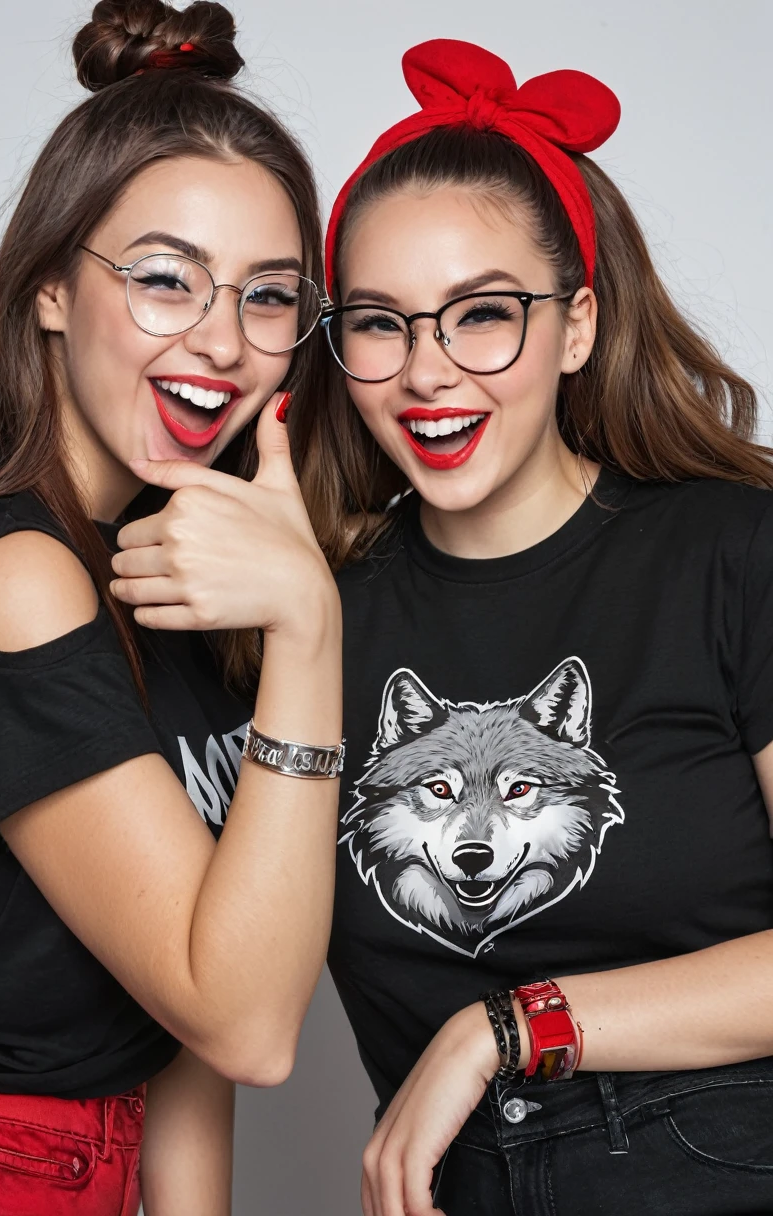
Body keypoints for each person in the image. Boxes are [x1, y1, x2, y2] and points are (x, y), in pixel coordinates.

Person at [118, 35, 773, 1216]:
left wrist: (506, 1027)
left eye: (481, 316)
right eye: (378, 322)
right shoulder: (306, 620)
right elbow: (202, 998)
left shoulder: (733, 551)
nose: (426, 373)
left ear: (576, 326)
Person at [0, 3, 342, 1214]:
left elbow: (177, 1039)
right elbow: (246, 1021)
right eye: (165, 279)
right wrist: (308, 630)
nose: (221, 340)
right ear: (53, 288)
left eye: (269, 296)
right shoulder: (11, 573)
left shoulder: (172, 561)